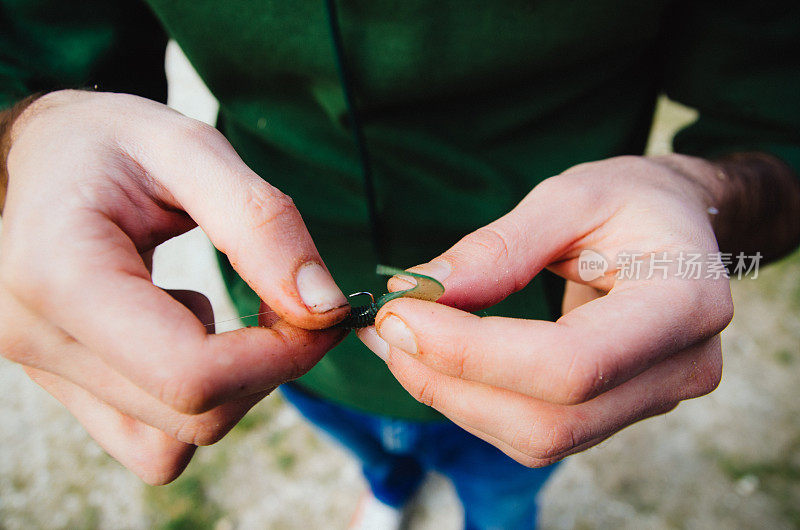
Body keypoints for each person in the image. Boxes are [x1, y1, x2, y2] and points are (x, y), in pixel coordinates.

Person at [1, 1, 798, 528]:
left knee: (506, 488)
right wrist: (32, 133)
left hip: (547, 351)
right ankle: (386, 484)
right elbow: (35, 52)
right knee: (365, 444)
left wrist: (706, 197)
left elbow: (780, 121)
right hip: (288, 345)